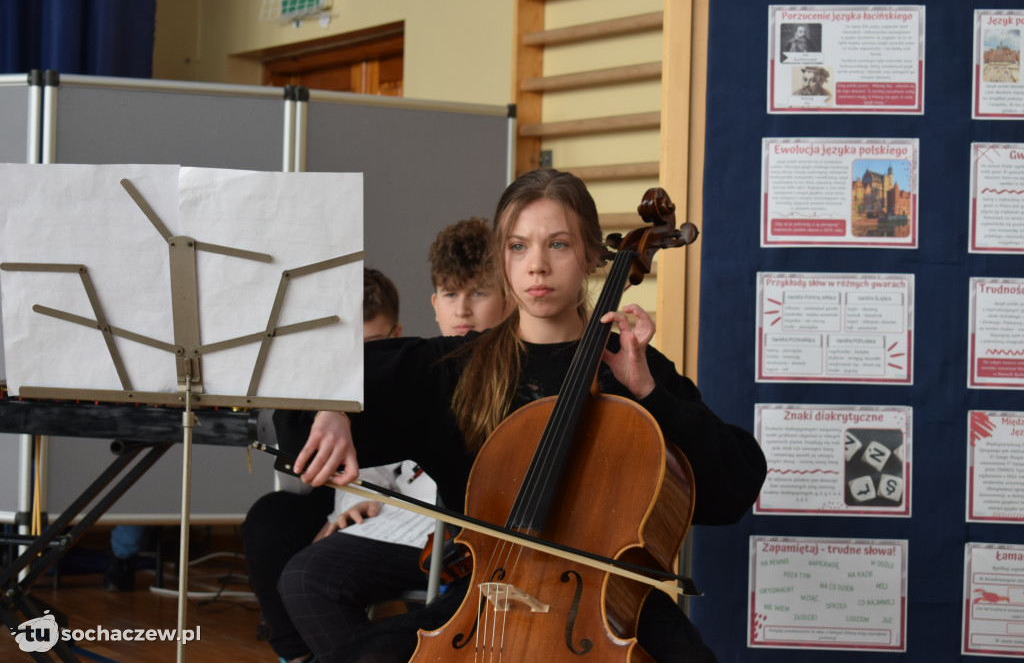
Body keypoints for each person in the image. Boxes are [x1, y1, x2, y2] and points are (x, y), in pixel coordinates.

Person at [281, 168, 767, 662]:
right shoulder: (453, 369)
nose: (536, 266)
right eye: (519, 247)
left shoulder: (634, 367)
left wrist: (650, 396)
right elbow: (305, 403)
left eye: (558, 245)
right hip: (484, 607)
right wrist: (335, 404)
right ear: (503, 261)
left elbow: (733, 490)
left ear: (593, 256)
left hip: (610, 612)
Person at [276, 217, 509, 661]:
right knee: (295, 561)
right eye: (451, 295)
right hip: (412, 527)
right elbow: (379, 464)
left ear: (507, 300)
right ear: (435, 303)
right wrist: (362, 492)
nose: (462, 310)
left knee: (313, 581)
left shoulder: (507, 373)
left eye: (478, 293)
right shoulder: (419, 368)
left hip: (460, 537)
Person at [242, 268, 405, 663]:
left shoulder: (407, 372)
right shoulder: (328, 376)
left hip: (392, 501)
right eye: (354, 347)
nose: (364, 358)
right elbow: (299, 474)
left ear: (396, 335)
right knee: (268, 519)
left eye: (376, 343)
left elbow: (404, 472)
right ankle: (297, 655)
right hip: (339, 494)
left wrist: (358, 505)